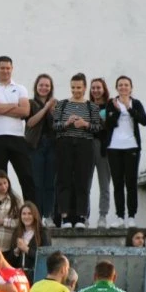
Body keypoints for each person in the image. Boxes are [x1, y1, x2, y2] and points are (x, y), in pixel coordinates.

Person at [53, 73, 101, 229]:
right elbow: (55, 126)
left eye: (79, 87)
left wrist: (85, 124)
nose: (76, 90)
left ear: (85, 87)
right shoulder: (62, 104)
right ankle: (65, 216)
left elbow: (97, 128)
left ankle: (81, 216)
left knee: (83, 180)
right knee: (64, 180)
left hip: (85, 144)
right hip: (64, 143)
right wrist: (67, 123)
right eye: (73, 87)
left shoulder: (92, 106)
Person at [0, 56, 34, 202]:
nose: (5, 71)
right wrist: (14, 106)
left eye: (8, 68)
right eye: (2, 68)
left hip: (17, 138)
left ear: (12, 69)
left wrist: (1, 107)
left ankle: (32, 210)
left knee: (26, 176)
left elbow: (25, 111)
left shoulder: (20, 88)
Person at [105, 76, 146, 228]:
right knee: (118, 183)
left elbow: (144, 120)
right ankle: (119, 216)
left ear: (131, 87)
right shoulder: (111, 103)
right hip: (114, 147)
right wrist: (116, 111)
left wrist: (128, 108)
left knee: (131, 182)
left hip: (132, 146)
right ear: (116, 87)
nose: (123, 87)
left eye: (126, 85)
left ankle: (131, 216)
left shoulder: (135, 103)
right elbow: (108, 124)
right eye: (120, 85)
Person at [25, 73, 57, 227]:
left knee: (50, 183)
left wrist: (53, 111)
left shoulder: (55, 105)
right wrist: (45, 108)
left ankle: (48, 215)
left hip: (52, 146)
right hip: (36, 146)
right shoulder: (30, 103)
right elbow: (30, 122)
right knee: (37, 183)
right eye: (41, 85)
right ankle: (37, 216)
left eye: (47, 85)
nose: (44, 88)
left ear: (50, 88)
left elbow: (58, 126)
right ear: (36, 87)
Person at [5, 201, 50, 283]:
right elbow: (9, 262)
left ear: (35, 215)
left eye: (30, 214)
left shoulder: (43, 232)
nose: (26, 216)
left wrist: (26, 249)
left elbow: (45, 257)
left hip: (37, 278)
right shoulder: (17, 232)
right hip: (19, 278)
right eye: (24, 214)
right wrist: (16, 252)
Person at [88, 78, 111, 229]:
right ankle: (85, 216)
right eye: (93, 88)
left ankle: (103, 215)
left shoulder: (110, 106)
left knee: (104, 184)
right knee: (85, 184)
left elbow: (110, 126)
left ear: (104, 89)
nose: (96, 90)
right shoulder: (86, 106)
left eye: (98, 87)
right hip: (88, 146)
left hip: (104, 147)